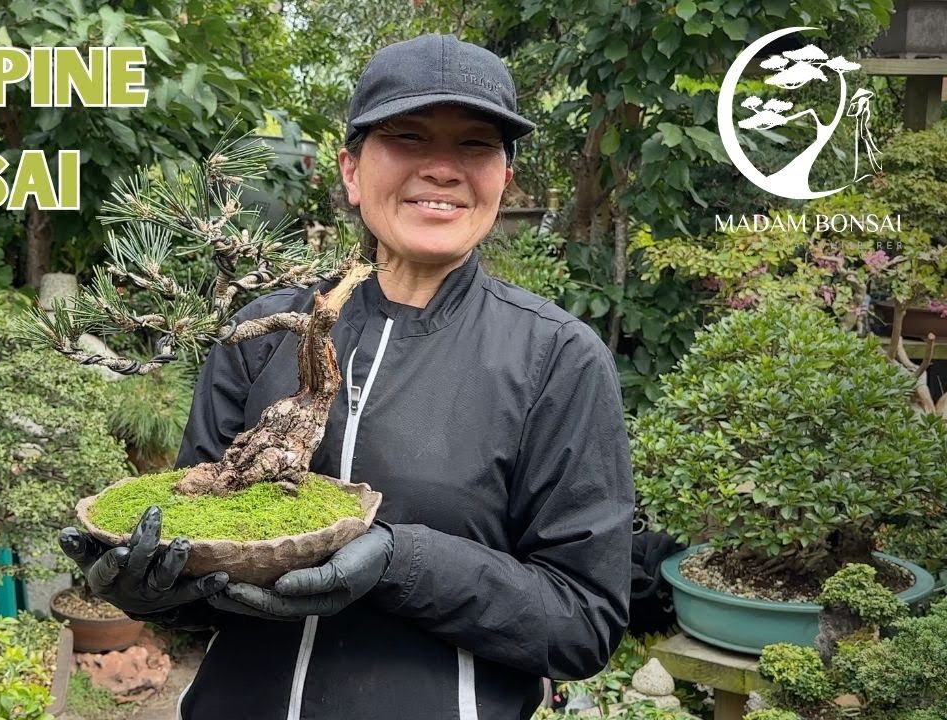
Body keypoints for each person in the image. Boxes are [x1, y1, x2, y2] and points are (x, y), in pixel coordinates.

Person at [60, 33, 634, 720]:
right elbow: (203, 548)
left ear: (504, 178)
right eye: (408, 137)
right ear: (352, 170)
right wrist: (152, 590)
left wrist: (398, 560)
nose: (442, 168)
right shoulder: (264, 332)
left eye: (475, 145)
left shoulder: (555, 358)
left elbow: (583, 621)